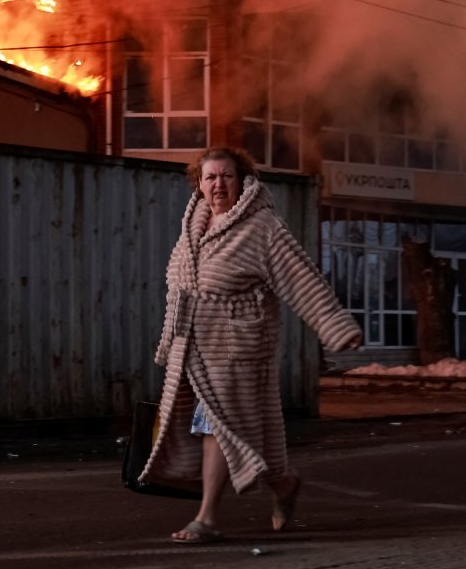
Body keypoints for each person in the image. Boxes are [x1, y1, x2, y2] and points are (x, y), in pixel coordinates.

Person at [141, 145, 363, 544]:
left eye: (226, 175)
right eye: (210, 177)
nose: (218, 184)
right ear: (199, 183)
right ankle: (284, 485)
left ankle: (207, 518)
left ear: (243, 180)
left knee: (218, 428)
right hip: (193, 350)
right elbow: (180, 289)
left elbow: (301, 278)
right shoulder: (193, 227)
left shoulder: (263, 229)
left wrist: (336, 326)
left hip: (236, 349)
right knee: (236, 434)